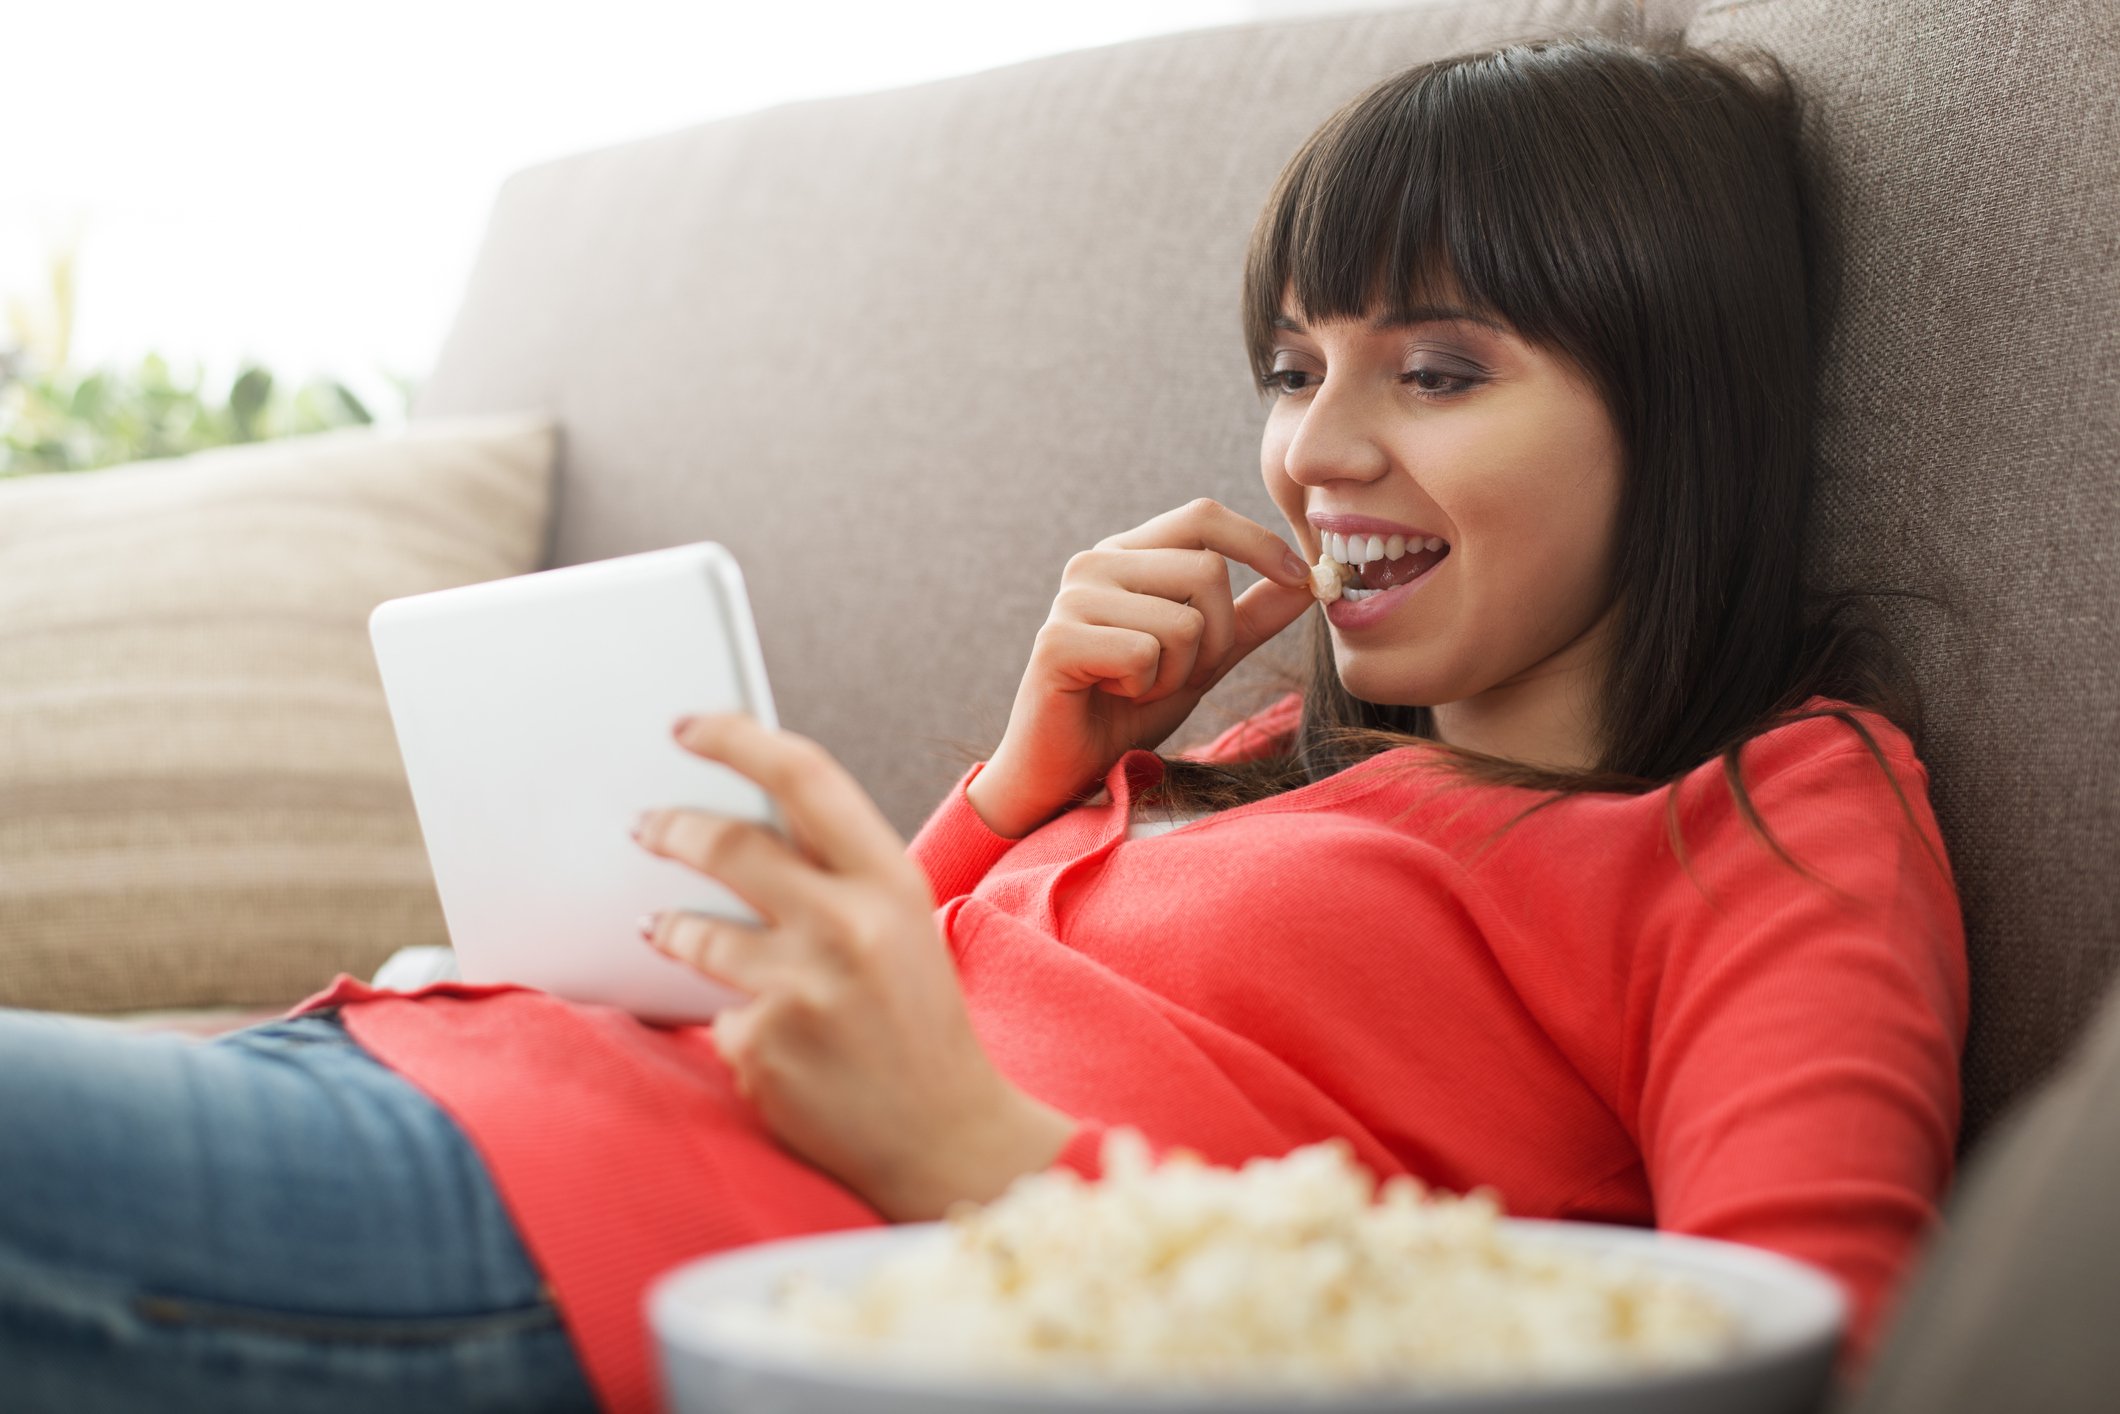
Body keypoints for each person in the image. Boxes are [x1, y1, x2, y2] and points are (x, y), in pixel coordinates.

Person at [0, 31, 1966, 1414]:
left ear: (1680, 401)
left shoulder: (1779, 813)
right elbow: (826, 1019)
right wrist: (1019, 781)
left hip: (562, 1235)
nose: (1312, 449)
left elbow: (1818, 1350)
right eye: (1293, 366)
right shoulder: (1257, 765)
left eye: (1436, 368)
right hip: (425, 1076)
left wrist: (990, 1163)